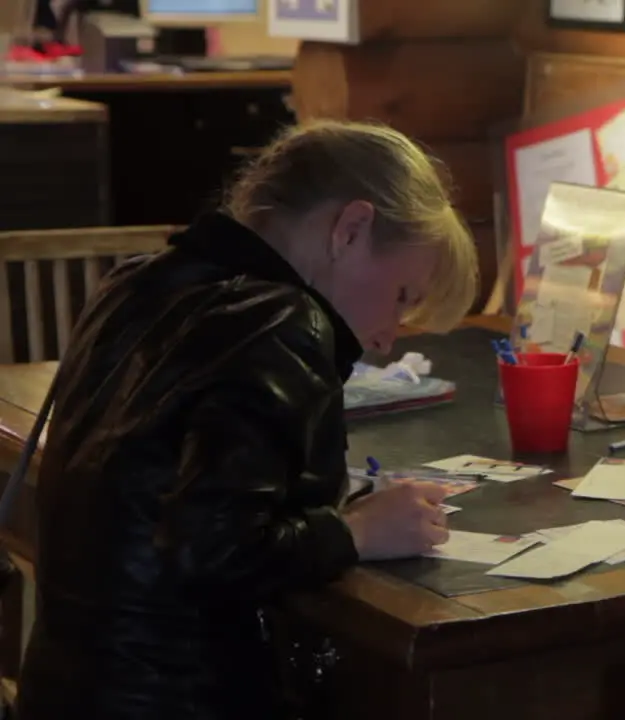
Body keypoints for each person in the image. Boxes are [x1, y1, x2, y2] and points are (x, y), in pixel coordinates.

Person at [17, 120, 478, 720]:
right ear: (352, 228)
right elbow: (214, 549)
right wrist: (358, 532)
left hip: (63, 690)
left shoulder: (134, 282)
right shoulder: (279, 322)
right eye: (400, 296)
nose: (388, 339)